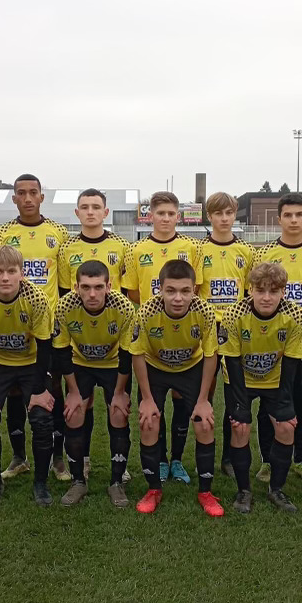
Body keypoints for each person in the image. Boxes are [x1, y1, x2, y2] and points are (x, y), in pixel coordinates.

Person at [220, 263, 302, 515]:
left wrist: (284, 403)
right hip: (241, 380)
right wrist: (239, 405)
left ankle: (276, 489)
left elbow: (291, 363)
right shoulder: (234, 314)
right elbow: (232, 362)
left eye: (273, 291)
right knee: (240, 427)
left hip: (276, 379)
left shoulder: (295, 315)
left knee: (286, 426)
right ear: (250, 290)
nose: (266, 297)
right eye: (260, 290)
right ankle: (243, 490)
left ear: (284, 291)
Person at [0, 245, 56, 507]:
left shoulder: (36, 299)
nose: (5, 277)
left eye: (11, 271)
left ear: (22, 273)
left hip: (30, 362)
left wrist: (39, 389)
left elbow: (45, 346)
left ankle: (40, 483)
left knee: (41, 418)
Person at [0, 174, 71, 481]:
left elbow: (64, 286)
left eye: (33, 192)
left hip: (48, 330)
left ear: (42, 197)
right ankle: (19, 457)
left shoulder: (59, 233)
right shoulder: (2, 233)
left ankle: (58, 458)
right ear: (14, 198)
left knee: (53, 393)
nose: (27, 198)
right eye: (21, 193)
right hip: (12, 327)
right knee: (14, 394)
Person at [130, 259, 222, 516]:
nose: (178, 298)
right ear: (160, 289)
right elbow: (137, 354)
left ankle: (206, 492)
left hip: (189, 369)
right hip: (156, 368)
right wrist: (147, 398)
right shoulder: (147, 311)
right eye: (171, 291)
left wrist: (204, 399)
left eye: (185, 291)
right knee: (149, 421)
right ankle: (153, 489)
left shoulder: (204, 312)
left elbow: (210, 355)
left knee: (204, 422)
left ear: (194, 290)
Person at [121, 191, 201, 484]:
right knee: (153, 403)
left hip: (183, 338)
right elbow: (132, 293)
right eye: (160, 213)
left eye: (171, 213)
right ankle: (162, 459)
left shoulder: (191, 247)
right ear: (150, 215)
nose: (166, 218)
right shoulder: (136, 249)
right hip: (151, 339)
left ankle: (177, 460)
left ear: (177, 216)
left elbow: (197, 289)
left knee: (181, 401)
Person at [252, 194, 302, 483]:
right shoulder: (266, 254)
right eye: (288, 215)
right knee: (269, 404)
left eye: (299, 214)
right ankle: (267, 461)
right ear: (279, 219)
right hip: (272, 342)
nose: (294, 220)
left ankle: (301, 459)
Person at [56, 187, 132, 480]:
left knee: (118, 408)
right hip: (81, 344)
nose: (90, 212)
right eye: (84, 207)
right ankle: (83, 459)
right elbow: (66, 292)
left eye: (95, 206)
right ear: (77, 213)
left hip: (113, 336)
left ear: (105, 212)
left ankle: (119, 466)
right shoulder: (67, 249)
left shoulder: (122, 246)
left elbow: (125, 290)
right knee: (79, 408)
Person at [53, 260, 136, 507]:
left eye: (98, 287)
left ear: (109, 286)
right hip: (81, 363)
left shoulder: (123, 307)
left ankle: (116, 481)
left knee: (119, 414)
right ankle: (78, 481)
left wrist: (120, 393)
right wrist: (74, 393)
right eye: (86, 287)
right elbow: (62, 352)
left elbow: (126, 355)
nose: (92, 294)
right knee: (74, 413)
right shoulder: (65, 306)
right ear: (75, 286)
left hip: (113, 365)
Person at [195, 192, 255, 478]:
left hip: (235, 333)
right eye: (218, 213)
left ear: (235, 214)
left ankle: (230, 458)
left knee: (234, 396)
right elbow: (194, 292)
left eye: (228, 213)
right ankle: (201, 452)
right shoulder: (198, 250)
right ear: (210, 216)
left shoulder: (246, 251)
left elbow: (249, 295)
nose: (223, 218)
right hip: (207, 331)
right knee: (201, 395)